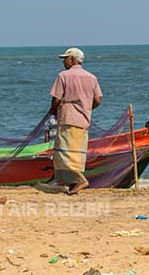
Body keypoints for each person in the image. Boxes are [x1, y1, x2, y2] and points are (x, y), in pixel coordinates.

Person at [47, 47, 102, 195]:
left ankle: (81, 181)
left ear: (72, 59)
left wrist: (52, 111)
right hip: (83, 121)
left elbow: (57, 98)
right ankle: (73, 185)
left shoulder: (63, 76)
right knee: (77, 153)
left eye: (65, 58)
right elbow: (98, 99)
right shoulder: (91, 77)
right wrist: (86, 109)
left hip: (67, 119)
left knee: (63, 153)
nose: (64, 61)